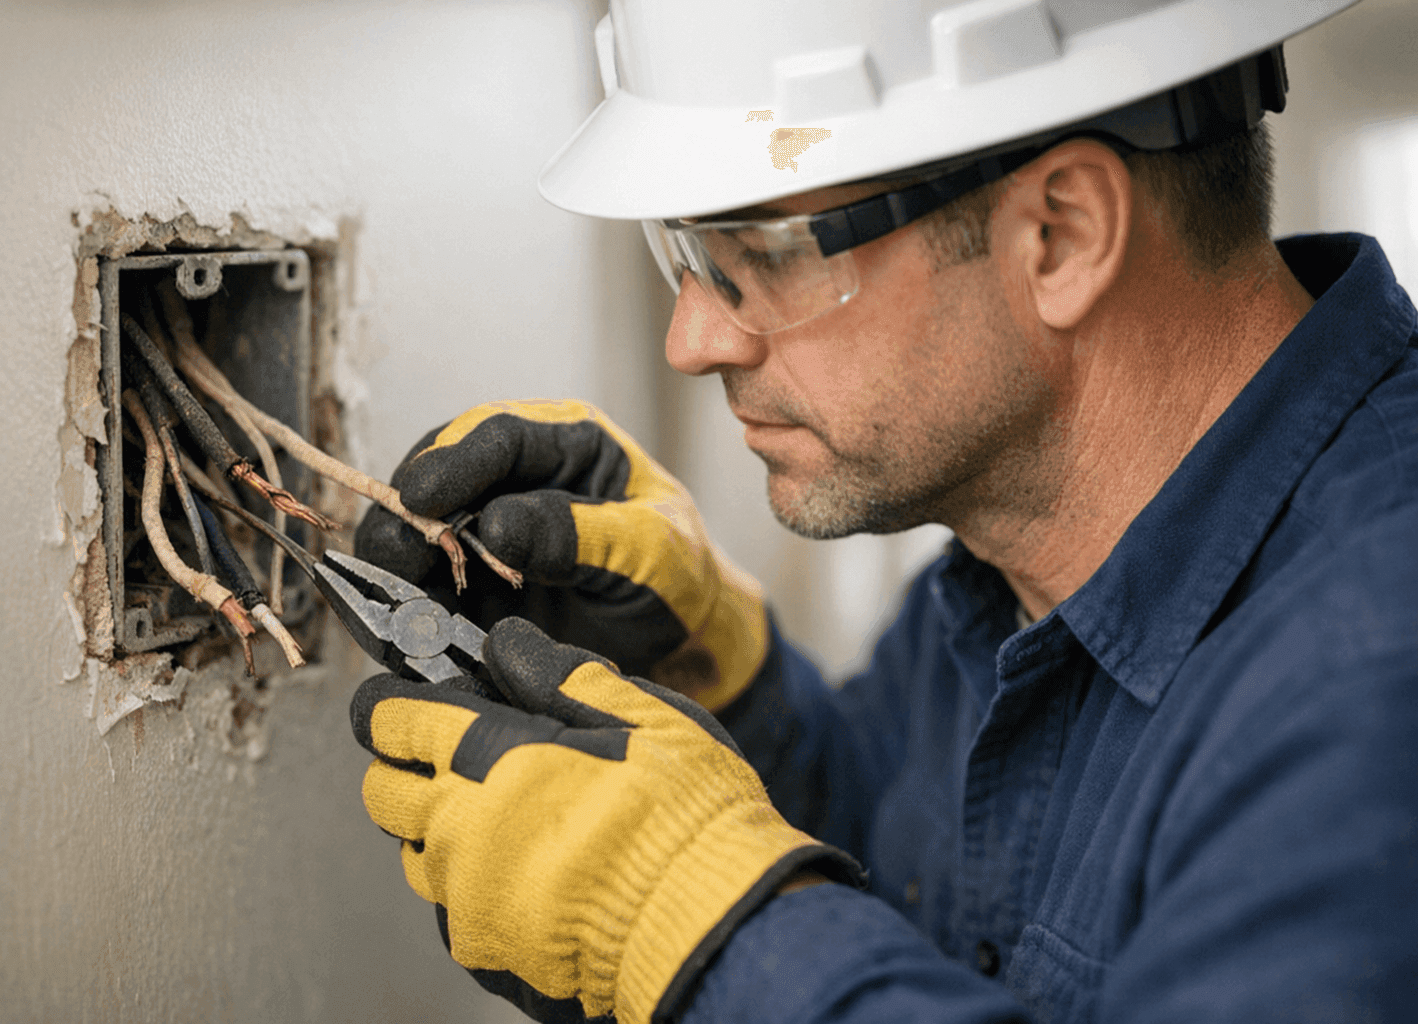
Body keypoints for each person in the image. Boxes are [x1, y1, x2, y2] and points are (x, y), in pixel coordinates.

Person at [348, 2, 1418, 1022]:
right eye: (686, 253)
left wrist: (697, 932)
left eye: (761, 254)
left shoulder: (1373, 680)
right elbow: (922, 875)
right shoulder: (1016, 565)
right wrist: (729, 681)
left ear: (1060, 234)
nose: (695, 342)